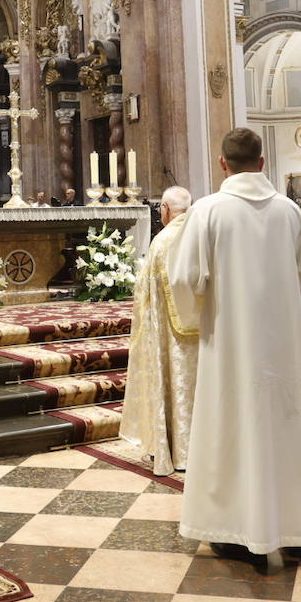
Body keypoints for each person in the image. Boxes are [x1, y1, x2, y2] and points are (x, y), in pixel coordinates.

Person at [169, 128, 301, 562]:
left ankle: (237, 532)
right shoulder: (289, 211)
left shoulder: (209, 211)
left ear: (223, 163)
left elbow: (183, 277)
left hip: (230, 338)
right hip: (282, 342)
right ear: (261, 163)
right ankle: (295, 531)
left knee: (231, 428)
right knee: (286, 426)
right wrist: (282, 306)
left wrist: (196, 317)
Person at [119, 186, 196, 477]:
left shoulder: (162, 242)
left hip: (170, 337)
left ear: (164, 208)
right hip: (204, 336)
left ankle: (174, 449)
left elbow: (145, 295)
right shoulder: (200, 236)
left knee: (174, 389)